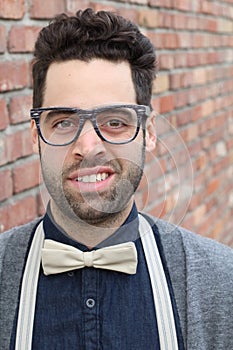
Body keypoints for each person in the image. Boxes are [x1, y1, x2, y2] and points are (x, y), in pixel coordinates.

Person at [0, 8, 232, 350]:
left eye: (115, 122)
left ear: (148, 133)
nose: (88, 147)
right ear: (36, 136)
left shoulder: (221, 283)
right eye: (64, 122)